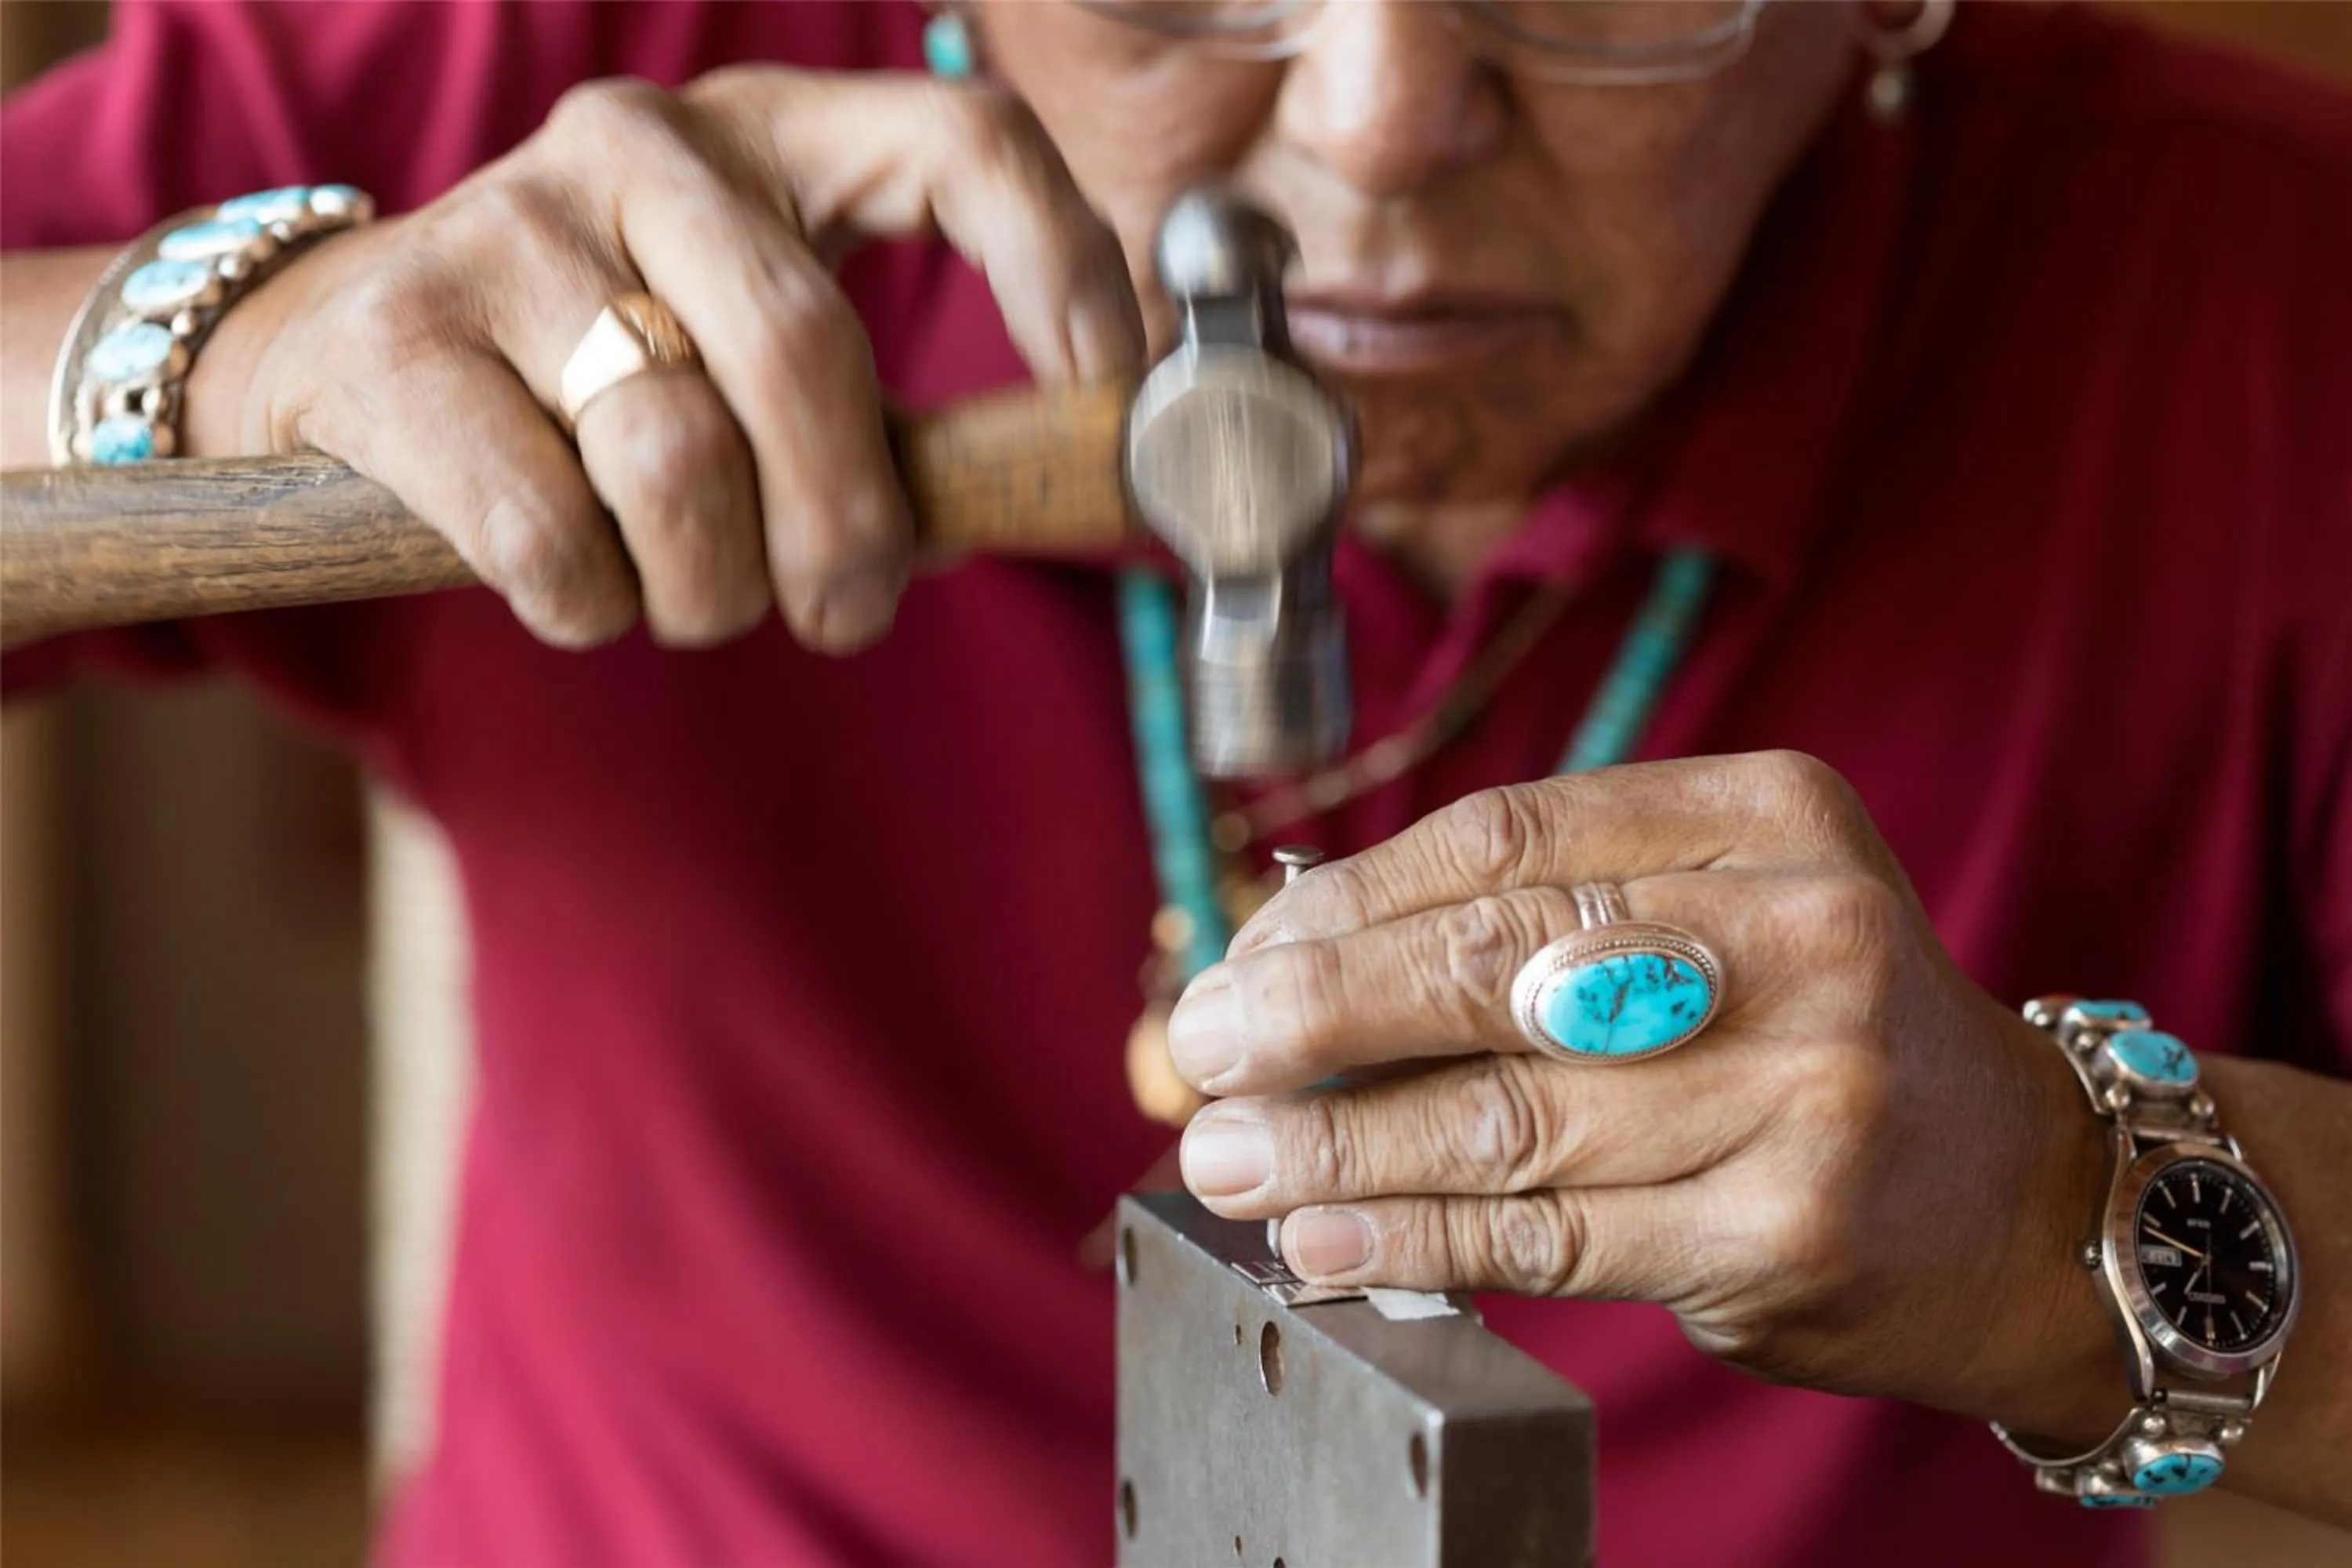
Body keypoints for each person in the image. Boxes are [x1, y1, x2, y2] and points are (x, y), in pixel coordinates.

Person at [4, 1, 2348, 1563]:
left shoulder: (2262, 311)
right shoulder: (558, 76)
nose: (1381, 117)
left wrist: (2072, 1211)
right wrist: (219, 338)